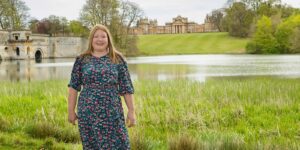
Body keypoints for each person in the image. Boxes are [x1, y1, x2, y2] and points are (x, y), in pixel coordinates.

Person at [67, 24, 136, 149]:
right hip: (88, 112)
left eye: (103, 36)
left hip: (112, 111)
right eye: (96, 36)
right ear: (91, 40)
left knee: (120, 144)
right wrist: (70, 111)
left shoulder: (117, 58)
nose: (100, 39)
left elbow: (126, 88)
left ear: (108, 39)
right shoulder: (82, 60)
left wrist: (131, 111)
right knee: (92, 145)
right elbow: (73, 87)